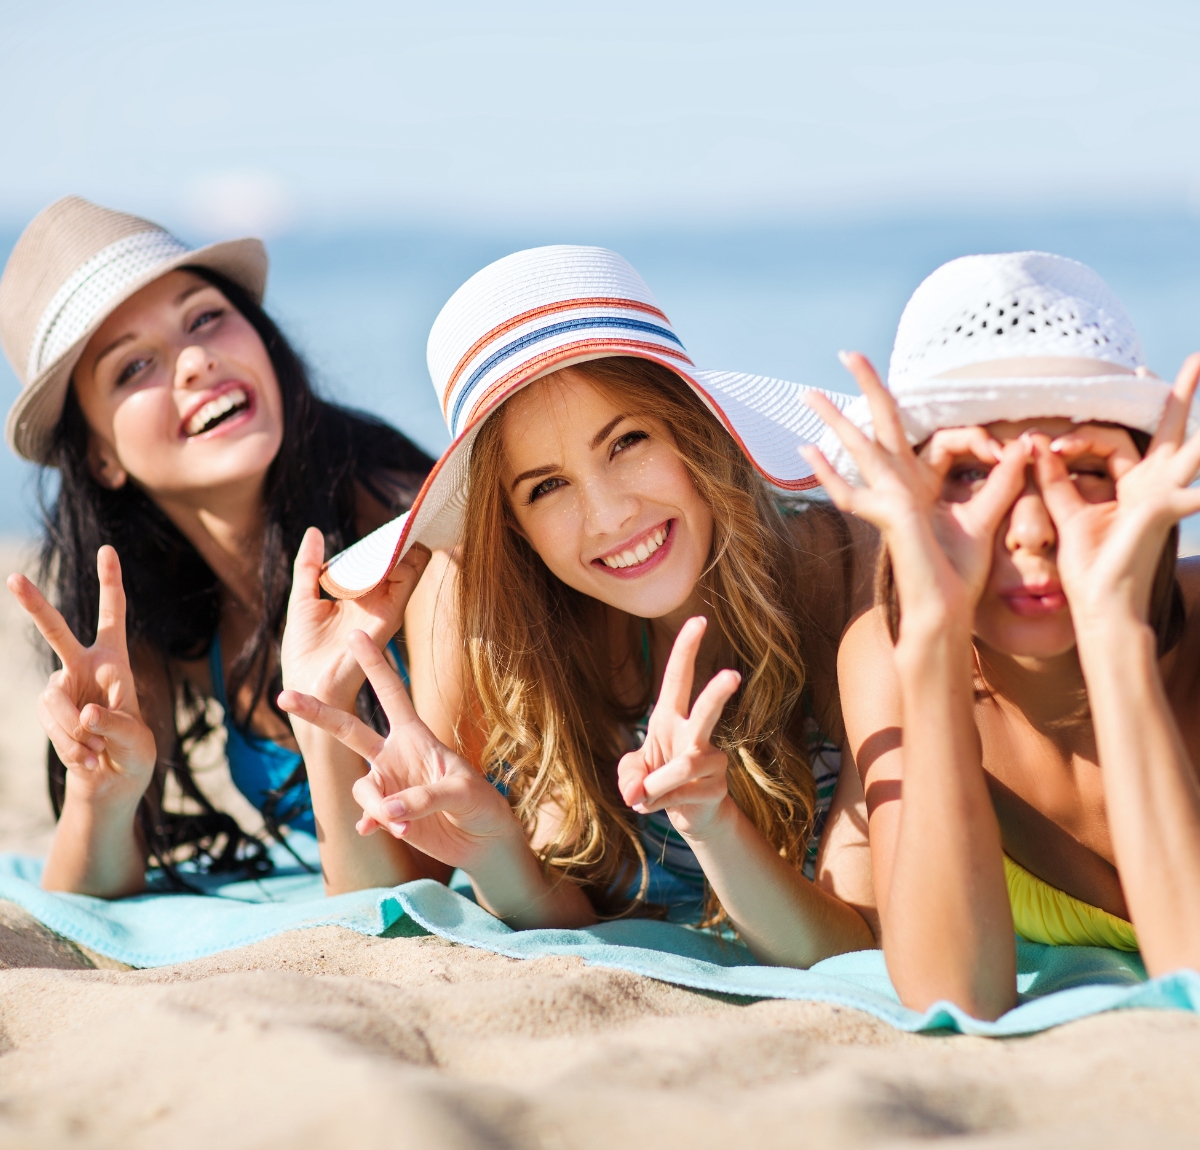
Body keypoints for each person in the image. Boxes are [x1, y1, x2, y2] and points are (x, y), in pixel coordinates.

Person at [279, 245, 877, 965]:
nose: (608, 516)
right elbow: (392, 909)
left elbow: (853, 948)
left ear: (694, 432)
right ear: (513, 526)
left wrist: (712, 822)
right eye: (546, 487)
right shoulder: (476, 609)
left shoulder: (847, 572)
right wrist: (318, 709)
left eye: (626, 441)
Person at [0, 196, 438, 897]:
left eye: (205, 317)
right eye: (132, 367)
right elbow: (84, 895)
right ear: (102, 458)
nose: (196, 360)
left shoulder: (408, 537)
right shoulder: (157, 612)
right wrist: (101, 791)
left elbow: (427, 881)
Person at [803, 251, 1200, 1018]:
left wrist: (1114, 635)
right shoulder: (895, 655)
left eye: (1080, 468)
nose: (1028, 529)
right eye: (968, 475)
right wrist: (936, 637)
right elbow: (956, 997)